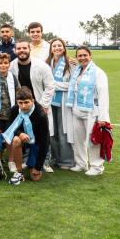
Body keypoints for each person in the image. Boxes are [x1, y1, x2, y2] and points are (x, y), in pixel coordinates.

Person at [9, 39, 56, 172]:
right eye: (19, 49)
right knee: (25, 132)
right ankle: (26, 159)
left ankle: (45, 162)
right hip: (22, 107)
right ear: (15, 51)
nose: (22, 51)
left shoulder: (41, 66)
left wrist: (44, 104)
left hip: (39, 105)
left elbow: (50, 85)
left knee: (43, 134)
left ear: (29, 48)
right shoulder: (12, 66)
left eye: (24, 48)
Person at [66, 46, 110, 176]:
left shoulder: (98, 72)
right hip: (77, 109)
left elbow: (103, 94)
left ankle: (96, 167)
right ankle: (81, 163)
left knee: (93, 139)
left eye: (85, 55)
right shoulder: (77, 71)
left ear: (90, 56)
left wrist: (102, 117)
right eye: (79, 56)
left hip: (92, 110)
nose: (82, 58)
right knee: (78, 138)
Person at [6, 88, 51, 185]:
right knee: (16, 140)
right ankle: (19, 172)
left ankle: (33, 164)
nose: (23, 106)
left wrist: (38, 166)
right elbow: (9, 127)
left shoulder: (41, 114)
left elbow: (45, 141)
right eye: (20, 103)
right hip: (22, 139)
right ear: (17, 102)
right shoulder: (14, 110)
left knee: (35, 177)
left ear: (33, 101)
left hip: (37, 142)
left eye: (26, 102)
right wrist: (19, 133)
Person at [46, 38, 75, 170]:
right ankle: (55, 158)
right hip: (50, 101)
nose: (57, 48)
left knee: (63, 132)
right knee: (51, 132)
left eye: (59, 45)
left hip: (63, 101)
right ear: (51, 49)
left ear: (64, 48)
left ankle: (67, 160)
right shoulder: (47, 63)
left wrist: (53, 85)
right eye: (54, 46)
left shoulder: (70, 64)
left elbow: (74, 84)